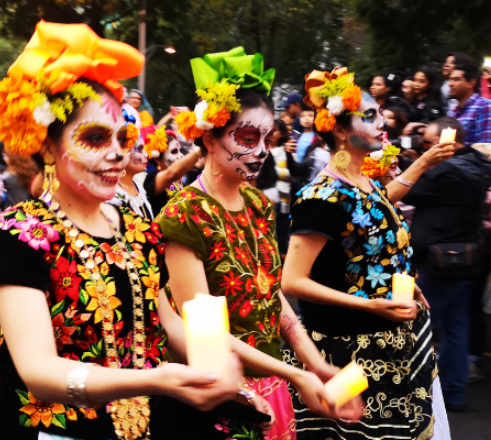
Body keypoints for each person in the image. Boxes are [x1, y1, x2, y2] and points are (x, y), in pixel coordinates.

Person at [0, 21, 271, 440]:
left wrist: (218, 369)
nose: (117, 152)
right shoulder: (13, 238)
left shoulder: (140, 231)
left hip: (141, 427)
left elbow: (170, 324)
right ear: (48, 146)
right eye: (94, 137)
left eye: (122, 137)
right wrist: (156, 379)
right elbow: (40, 372)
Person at [168, 52, 361, 440]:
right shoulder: (184, 214)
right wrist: (297, 373)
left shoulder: (257, 203)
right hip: (223, 397)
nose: (260, 151)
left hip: (273, 388)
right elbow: (203, 332)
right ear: (209, 137)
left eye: (267, 139)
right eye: (247, 137)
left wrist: (316, 363)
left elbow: (271, 292)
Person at [281, 67, 450, 439]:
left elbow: (366, 216)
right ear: (341, 131)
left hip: (393, 341)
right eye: (369, 116)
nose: (381, 122)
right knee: (350, 432)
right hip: (348, 353)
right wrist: (369, 305)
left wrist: (399, 282)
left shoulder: (362, 181)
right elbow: (291, 280)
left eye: (379, 113)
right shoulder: (320, 195)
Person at [403, 116, 491, 412]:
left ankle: (403, 388)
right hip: (466, 258)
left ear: (447, 141)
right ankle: (453, 394)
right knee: (456, 329)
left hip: (437, 260)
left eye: (428, 143)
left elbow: (409, 191)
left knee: (411, 323)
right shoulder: (477, 164)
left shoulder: (447, 170)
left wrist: (417, 164)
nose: (424, 148)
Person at [141, 125, 202, 215]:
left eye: (180, 150)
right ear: (157, 159)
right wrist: (200, 150)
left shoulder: (179, 181)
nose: (181, 155)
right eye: (174, 152)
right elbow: (171, 174)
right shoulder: (151, 178)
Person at [110, 127, 153, 218]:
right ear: (122, 153)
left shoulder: (139, 187)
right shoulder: (112, 195)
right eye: (140, 149)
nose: (146, 154)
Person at [266, 120, 293, 254]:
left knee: (281, 228)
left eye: (274, 130)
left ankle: (281, 256)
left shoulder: (285, 151)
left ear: (281, 134)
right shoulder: (261, 150)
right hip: (265, 196)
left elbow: (290, 172)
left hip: (283, 197)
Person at [448, 63, 491, 145]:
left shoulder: (484, 106)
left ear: (471, 83)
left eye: (456, 79)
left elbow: (486, 148)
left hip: (470, 157)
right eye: (450, 79)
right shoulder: (453, 112)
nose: (450, 84)